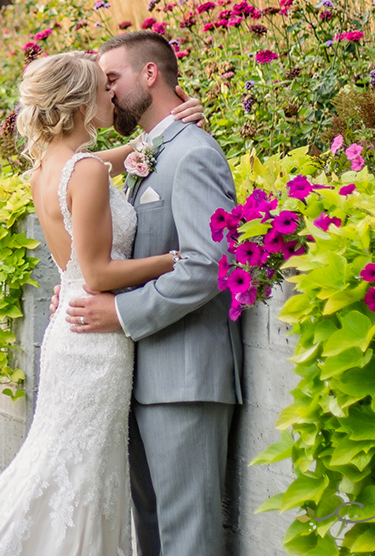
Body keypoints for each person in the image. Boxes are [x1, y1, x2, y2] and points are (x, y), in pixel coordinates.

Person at [0, 50, 205, 556]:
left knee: (65, 471)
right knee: (82, 475)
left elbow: (131, 157)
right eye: (103, 87)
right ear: (82, 101)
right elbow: (98, 273)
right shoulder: (85, 171)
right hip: (94, 343)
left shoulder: (51, 167)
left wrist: (169, 125)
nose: (113, 94)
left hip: (74, 330)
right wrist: (172, 260)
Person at [61, 31, 243, 556]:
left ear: (149, 75)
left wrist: (119, 311)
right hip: (142, 374)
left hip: (187, 378)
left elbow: (209, 266)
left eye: (112, 79)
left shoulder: (194, 154)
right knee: (153, 532)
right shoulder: (153, 151)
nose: (107, 93)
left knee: (187, 536)